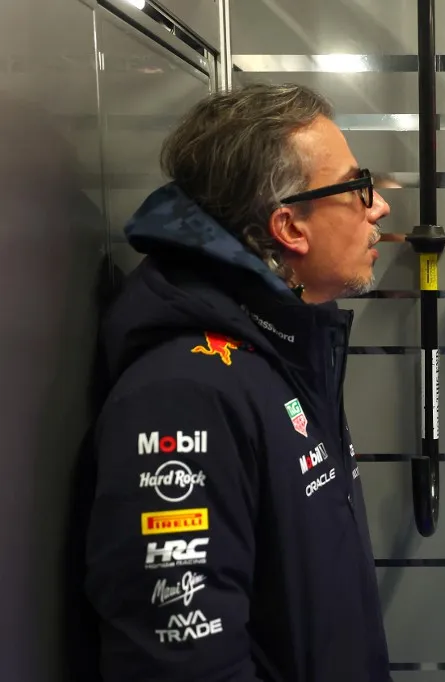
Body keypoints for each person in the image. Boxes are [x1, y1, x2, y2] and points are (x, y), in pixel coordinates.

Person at [82, 83, 393, 681]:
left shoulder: (283, 348)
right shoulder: (185, 394)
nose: (376, 206)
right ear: (290, 227)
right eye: (356, 186)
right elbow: (183, 663)